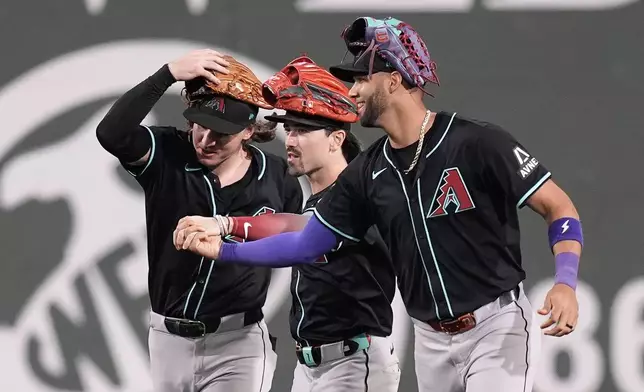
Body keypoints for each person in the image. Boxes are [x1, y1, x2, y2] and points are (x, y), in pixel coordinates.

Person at [174, 18, 583, 392]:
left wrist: (565, 281)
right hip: (430, 341)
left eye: (361, 78)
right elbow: (305, 242)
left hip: (496, 327)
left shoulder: (476, 142)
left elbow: (559, 208)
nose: (351, 90)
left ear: (393, 79)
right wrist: (226, 247)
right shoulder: (366, 173)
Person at [174, 55, 401, 392]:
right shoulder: (326, 197)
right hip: (314, 367)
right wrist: (225, 224)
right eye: (290, 129)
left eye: (304, 130)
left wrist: (225, 250)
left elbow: (301, 243)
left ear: (336, 139)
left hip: (353, 363)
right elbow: (294, 225)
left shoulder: (356, 191)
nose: (291, 140)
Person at [95, 49, 303, 392]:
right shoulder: (167, 154)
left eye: (220, 133)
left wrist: (230, 233)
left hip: (239, 340)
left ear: (248, 131)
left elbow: (294, 240)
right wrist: (167, 73)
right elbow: (110, 133)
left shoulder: (277, 177)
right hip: (168, 338)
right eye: (200, 127)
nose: (205, 141)